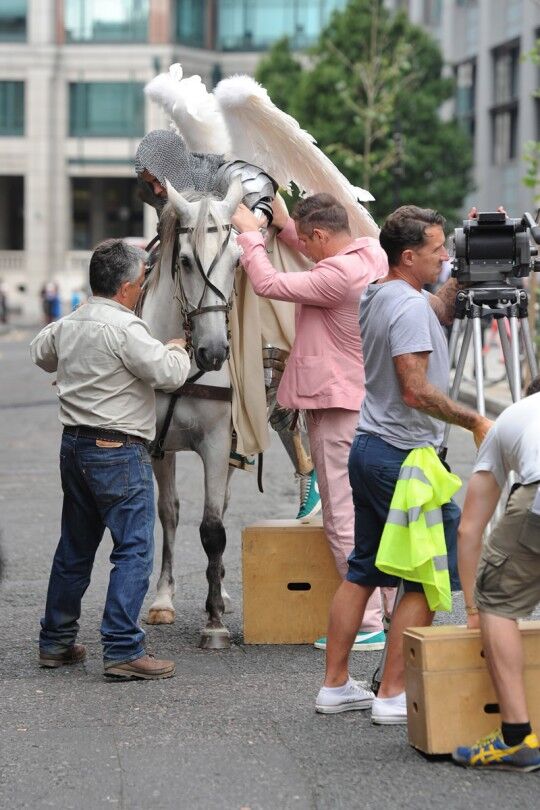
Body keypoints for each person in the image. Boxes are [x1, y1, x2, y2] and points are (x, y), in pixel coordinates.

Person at [314, 205, 492, 718]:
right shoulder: (409, 307)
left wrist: (466, 262)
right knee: (423, 573)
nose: (444, 255)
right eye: (437, 250)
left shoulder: (384, 292)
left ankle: (336, 685)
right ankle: (391, 693)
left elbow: (438, 307)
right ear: (409, 256)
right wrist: (474, 420)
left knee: (364, 569)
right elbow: (415, 391)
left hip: (370, 448)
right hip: (404, 460)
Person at [232, 192, 393, 651]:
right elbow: (323, 259)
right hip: (365, 400)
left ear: (321, 234)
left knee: (341, 514)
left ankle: (367, 624)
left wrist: (249, 236)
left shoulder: (335, 276)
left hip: (335, 404)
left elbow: (268, 283)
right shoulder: (370, 252)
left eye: (306, 239)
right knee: (373, 511)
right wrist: (284, 226)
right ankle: (387, 607)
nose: (302, 245)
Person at [135, 129, 322, 520]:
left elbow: (258, 187)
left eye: (156, 176)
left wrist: (253, 220)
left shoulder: (216, 170)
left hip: (243, 270)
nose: (153, 185)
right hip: (195, 278)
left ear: (172, 164)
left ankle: (309, 470)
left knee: (268, 364)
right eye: (148, 179)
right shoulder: (165, 198)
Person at [30, 239, 191, 680]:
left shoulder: (71, 322)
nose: (142, 288)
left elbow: (40, 352)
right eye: (140, 281)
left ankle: (57, 642)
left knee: (74, 549)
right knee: (134, 549)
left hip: (74, 447)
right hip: (118, 451)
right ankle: (122, 648)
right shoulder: (127, 329)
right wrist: (177, 347)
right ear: (126, 286)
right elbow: (169, 374)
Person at [452, 377, 540, 771]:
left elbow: (469, 528)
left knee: (497, 601)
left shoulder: (511, 418)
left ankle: (516, 737)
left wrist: (474, 607)